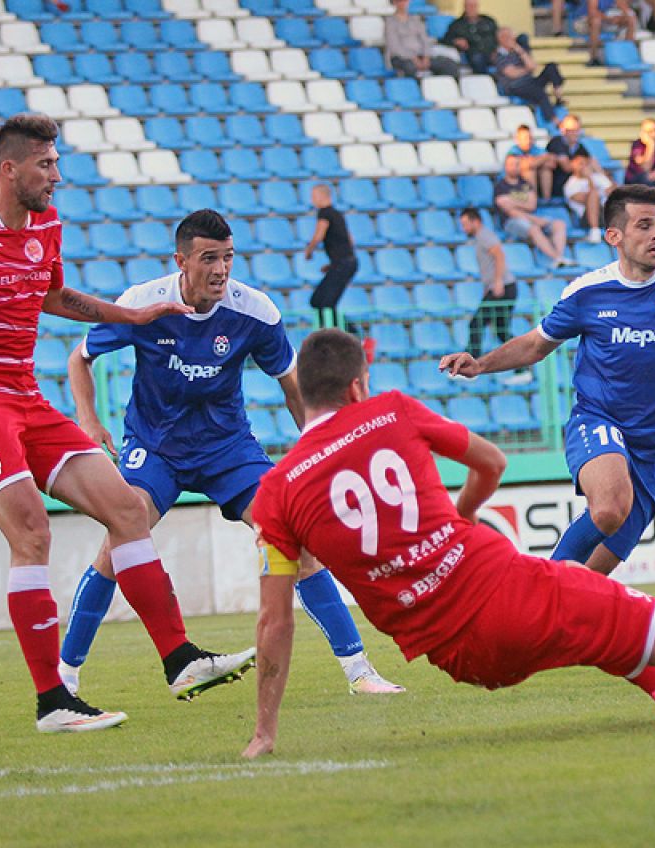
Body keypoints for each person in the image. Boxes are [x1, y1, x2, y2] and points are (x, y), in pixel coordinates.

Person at [242, 329, 655, 757]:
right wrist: (462, 516)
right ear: (357, 385)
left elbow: (276, 622)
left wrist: (265, 732)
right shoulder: (390, 411)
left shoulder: (276, 491)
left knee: (588, 631)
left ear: (303, 393)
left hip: (459, 656)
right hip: (507, 590)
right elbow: (492, 463)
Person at [0, 114, 254, 733]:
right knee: (32, 532)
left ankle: (181, 659)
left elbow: (55, 297)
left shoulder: (45, 225)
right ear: (11, 169)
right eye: (46, 165)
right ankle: (53, 700)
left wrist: (130, 318)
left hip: (23, 395)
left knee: (127, 509)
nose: (57, 176)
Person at [59, 209, 404, 698]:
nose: (220, 270)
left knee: (293, 540)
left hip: (228, 449)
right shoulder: (143, 303)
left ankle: (359, 671)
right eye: (208, 259)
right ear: (181, 261)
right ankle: (65, 677)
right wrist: (88, 420)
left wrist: (318, 448)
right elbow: (81, 357)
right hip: (156, 447)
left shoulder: (255, 312)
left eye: (228, 258)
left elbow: (291, 386)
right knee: (121, 537)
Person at [440, 185, 655, 576]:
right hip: (598, 421)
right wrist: (480, 364)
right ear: (614, 236)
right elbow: (535, 344)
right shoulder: (588, 292)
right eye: (644, 225)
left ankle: (545, 615)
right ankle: (534, 585)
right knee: (610, 506)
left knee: (588, 578)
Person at [460, 207, 530, 388]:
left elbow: (499, 255)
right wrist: (488, 287)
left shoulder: (484, 235)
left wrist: (497, 282)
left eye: (466, 224)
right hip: (500, 287)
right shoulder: (480, 237)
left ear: (476, 221)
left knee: (476, 323)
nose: (464, 228)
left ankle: (469, 366)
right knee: (501, 331)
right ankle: (522, 369)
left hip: (503, 287)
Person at [303, 184, 363, 341]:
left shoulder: (325, 213)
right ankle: (342, 333)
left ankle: (345, 336)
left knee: (325, 303)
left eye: (314, 196)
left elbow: (319, 235)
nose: (312, 200)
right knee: (320, 301)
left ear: (322, 196)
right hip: (346, 263)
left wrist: (309, 250)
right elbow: (349, 239)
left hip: (343, 263)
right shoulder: (338, 214)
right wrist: (334, 263)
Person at [494, 154, 572, 266]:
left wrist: (512, 201)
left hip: (531, 218)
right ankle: (556, 258)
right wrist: (533, 217)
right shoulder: (500, 186)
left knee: (559, 224)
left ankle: (560, 257)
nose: (514, 167)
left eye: (516, 164)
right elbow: (510, 211)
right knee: (534, 228)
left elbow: (532, 205)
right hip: (512, 222)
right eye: (511, 164)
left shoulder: (525, 183)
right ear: (505, 167)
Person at [494, 27, 565, 124]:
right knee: (539, 93)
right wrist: (527, 69)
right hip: (514, 86)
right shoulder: (499, 56)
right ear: (501, 39)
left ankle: (558, 96)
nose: (512, 39)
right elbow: (512, 74)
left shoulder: (518, 51)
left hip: (529, 81)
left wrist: (519, 50)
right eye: (509, 37)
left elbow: (533, 66)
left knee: (551, 67)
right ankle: (553, 119)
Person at [385, 0, 460, 78]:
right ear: (394, 3)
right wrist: (413, 58)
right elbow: (395, 46)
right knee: (410, 68)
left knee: (448, 64)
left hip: (421, 55)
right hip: (401, 58)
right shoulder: (390, 22)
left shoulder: (415, 19)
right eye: (399, 1)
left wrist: (426, 56)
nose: (403, 3)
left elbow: (425, 39)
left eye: (405, 1)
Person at [550, 0, 637, 66]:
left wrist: (622, 17)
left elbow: (625, 9)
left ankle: (628, 54)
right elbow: (592, 12)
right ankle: (593, 57)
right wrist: (609, 19)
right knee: (596, 21)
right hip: (583, 21)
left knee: (630, 19)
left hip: (605, 20)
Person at [564, 152, 615, 244]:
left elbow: (614, 192)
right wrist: (589, 178)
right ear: (573, 165)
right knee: (593, 194)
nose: (584, 166)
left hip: (606, 212)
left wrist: (600, 172)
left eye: (585, 163)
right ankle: (594, 230)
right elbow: (587, 199)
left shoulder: (598, 177)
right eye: (580, 164)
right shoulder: (570, 184)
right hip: (586, 217)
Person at [546, 114, 597, 202]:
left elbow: (592, 163)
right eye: (570, 130)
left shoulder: (580, 147)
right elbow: (567, 167)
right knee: (593, 198)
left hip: (578, 185)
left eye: (577, 130)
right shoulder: (556, 142)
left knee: (598, 194)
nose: (574, 133)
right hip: (561, 188)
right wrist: (581, 165)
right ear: (563, 130)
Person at [442, 0, 498, 74]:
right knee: (477, 59)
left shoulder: (488, 21)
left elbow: (498, 36)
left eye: (474, 6)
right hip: (474, 53)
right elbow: (445, 40)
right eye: (469, 6)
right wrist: (456, 41)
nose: (472, 8)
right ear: (464, 7)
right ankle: (486, 80)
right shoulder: (457, 25)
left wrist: (497, 50)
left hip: (493, 51)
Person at [506, 124, 556, 201]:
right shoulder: (513, 151)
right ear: (517, 139)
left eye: (530, 137)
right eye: (525, 138)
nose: (528, 141)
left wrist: (534, 161)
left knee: (546, 170)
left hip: (535, 182)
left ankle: (547, 200)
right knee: (530, 172)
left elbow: (552, 164)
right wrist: (542, 159)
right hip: (513, 186)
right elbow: (525, 165)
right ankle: (533, 201)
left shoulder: (536, 148)